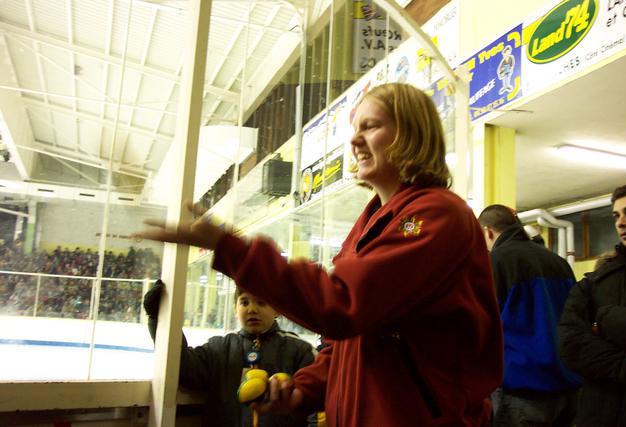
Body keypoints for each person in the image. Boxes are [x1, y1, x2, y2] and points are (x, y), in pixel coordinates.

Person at [135, 82, 503, 426]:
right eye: (354, 128)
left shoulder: (436, 215)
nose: (355, 140)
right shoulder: (370, 223)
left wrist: (233, 250)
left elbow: (344, 306)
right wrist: (302, 390)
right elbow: (352, 343)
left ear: (410, 133)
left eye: (370, 126)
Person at [143, 280, 316, 427]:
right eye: (244, 302)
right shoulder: (219, 349)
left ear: (278, 309)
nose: (252, 309)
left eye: (261, 302)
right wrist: (159, 318)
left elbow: (317, 401)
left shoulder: (299, 351)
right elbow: (182, 365)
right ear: (235, 308)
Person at [478, 205, 581, 426]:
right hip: (568, 385)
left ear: (488, 232)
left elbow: (483, 324)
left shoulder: (496, 262)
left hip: (522, 389)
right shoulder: (560, 263)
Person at [558, 183, 626, 426]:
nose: (621, 223)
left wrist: (607, 321)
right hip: (600, 413)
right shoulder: (596, 282)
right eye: (616, 215)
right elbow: (571, 343)